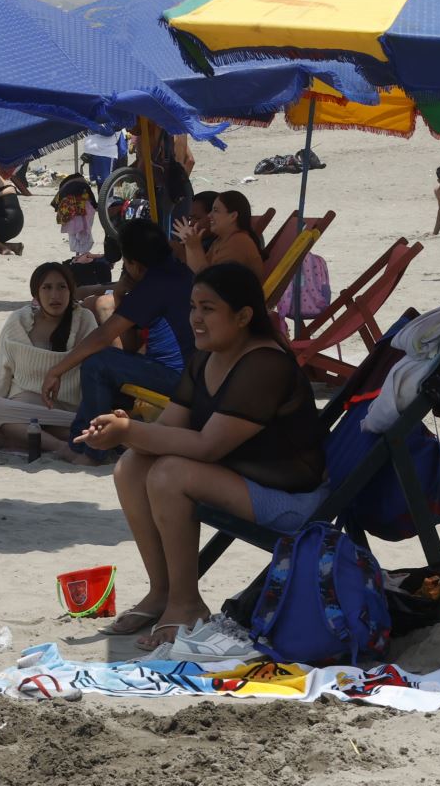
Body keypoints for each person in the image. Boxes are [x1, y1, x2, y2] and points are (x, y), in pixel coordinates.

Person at [81, 263, 326, 648]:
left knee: (170, 474)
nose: (195, 317)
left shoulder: (264, 365)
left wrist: (132, 432)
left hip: (290, 499)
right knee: (131, 466)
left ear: (244, 316)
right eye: (193, 306)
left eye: (208, 308)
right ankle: (162, 592)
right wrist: (123, 430)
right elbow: (169, 431)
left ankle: (186, 603)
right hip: (243, 479)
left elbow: (207, 446)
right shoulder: (205, 359)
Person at [40, 219, 197, 460]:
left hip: (177, 378)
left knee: (97, 364)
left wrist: (56, 371)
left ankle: (88, 450)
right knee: (107, 363)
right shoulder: (178, 271)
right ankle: (90, 441)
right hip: (189, 374)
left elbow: (104, 336)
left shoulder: (154, 285)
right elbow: (131, 346)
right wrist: (120, 296)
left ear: (134, 264)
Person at [0, 263, 100, 463]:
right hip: (25, 406)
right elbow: (0, 373)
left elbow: (95, 369)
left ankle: (34, 437)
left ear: (71, 290)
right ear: (36, 292)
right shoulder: (18, 321)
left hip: (67, 409)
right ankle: (62, 447)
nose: (55, 295)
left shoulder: (83, 319)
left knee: (14, 427)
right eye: (47, 287)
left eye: (62, 287)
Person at [174, 189, 264, 278]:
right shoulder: (221, 240)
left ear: (233, 216)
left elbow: (208, 281)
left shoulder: (238, 242)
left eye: (216, 210)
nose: (210, 215)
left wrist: (193, 247)